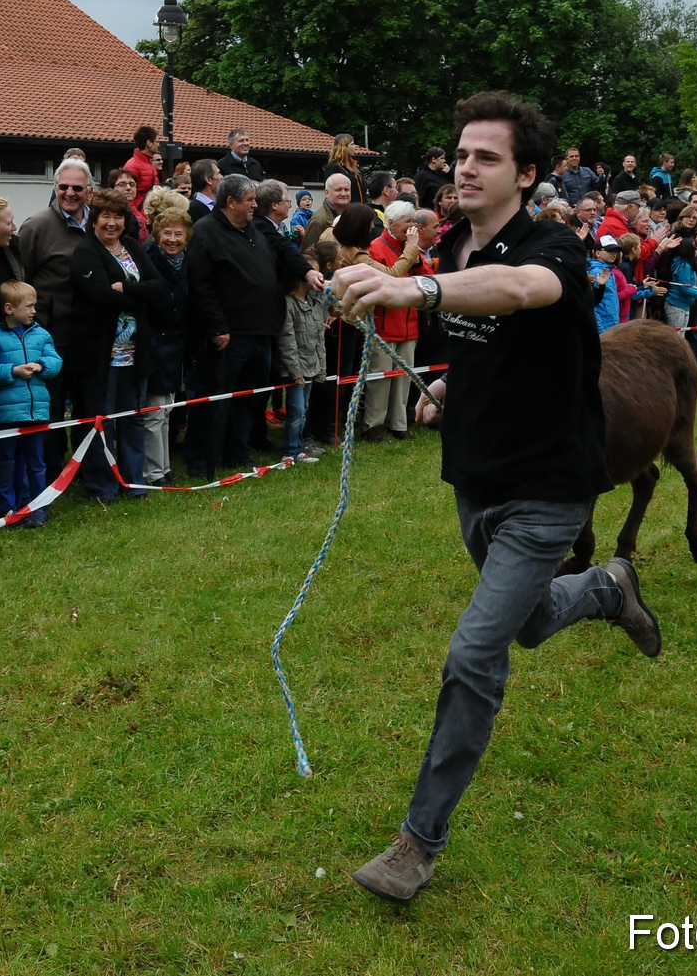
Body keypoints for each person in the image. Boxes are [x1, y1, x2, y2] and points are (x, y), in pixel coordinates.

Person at [331, 90, 659, 904]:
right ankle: (606, 588)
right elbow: (490, 343)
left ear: (527, 173)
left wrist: (419, 291)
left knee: (475, 653)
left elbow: (515, 292)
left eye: (486, 156)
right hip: (474, 474)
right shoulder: (451, 241)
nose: (465, 167)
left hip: (549, 485)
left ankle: (417, 843)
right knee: (533, 620)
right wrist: (449, 385)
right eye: (460, 154)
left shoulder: (554, 247)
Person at [186, 173, 325, 478]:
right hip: (229, 335)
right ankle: (201, 459)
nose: (254, 205)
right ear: (231, 202)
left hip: (262, 331)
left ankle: (238, 453)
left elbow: (285, 252)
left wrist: (307, 273)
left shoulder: (255, 229)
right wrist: (217, 327)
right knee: (216, 398)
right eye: (249, 200)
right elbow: (200, 286)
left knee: (250, 399)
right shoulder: (206, 232)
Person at [69, 190, 161, 503]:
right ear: (94, 220)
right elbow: (100, 295)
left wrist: (128, 289)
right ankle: (103, 486)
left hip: (134, 352)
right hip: (99, 353)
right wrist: (139, 297)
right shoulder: (85, 251)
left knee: (132, 417)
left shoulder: (133, 246)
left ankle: (134, 482)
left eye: (118, 216)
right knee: (101, 420)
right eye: (105, 216)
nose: (111, 223)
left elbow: (157, 285)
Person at [20, 158, 91, 466]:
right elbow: (20, 281)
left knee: (88, 406)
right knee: (51, 406)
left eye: (77, 187)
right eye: (64, 187)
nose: (70, 193)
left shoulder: (101, 224)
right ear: (55, 187)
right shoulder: (36, 227)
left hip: (90, 333)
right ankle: (50, 471)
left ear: (89, 191)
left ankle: (87, 467)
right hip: (50, 336)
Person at [0, 281, 62, 527]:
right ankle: (8, 509)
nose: (33, 311)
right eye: (28, 306)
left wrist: (41, 366)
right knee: (7, 463)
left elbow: (55, 361)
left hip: (36, 412)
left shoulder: (41, 334)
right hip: (6, 415)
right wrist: (12, 371)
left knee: (36, 463)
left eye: (34, 306)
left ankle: (37, 507)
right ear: (9, 308)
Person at [140, 192, 191, 486]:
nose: (172, 240)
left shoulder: (184, 262)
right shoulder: (149, 259)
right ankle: (152, 473)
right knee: (154, 413)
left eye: (178, 234)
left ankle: (164, 467)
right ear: (157, 234)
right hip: (155, 344)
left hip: (175, 343)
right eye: (167, 234)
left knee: (167, 411)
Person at [364, 202, 426, 440]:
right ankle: (372, 423)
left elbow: (428, 278)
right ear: (391, 223)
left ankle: (399, 424)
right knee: (380, 377)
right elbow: (387, 281)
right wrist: (410, 250)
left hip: (409, 324)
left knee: (404, 376)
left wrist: (414, 254)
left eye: (414, 221)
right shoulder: (376, 248)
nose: (413, 227)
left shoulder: (410, 247)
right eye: (408, 221)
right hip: (385, 324)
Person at [277, 248, 327, 465]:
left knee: (304, 409)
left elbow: (318, 339)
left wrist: (321, 368)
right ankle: (289, 450)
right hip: (296, 369)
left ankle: (298, 448)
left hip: (311, 366)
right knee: (296, 409)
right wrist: (295, 371)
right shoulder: (288, 304)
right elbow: (287, 340)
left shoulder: (315, 304)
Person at [320, 133, 365, 203]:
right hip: (346, 207)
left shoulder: (355, 167)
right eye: (352, 144)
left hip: (361, 207)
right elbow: (330, 191)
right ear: (344, 147)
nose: (355, 147)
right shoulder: (333, 167)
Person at [123, 126, 159, 210]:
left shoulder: (148, 163)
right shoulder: (133, 165)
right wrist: (138, 215)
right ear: (149, 143)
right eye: (156, 141)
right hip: (139, 213)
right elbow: (127, 196)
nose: (158, 144)